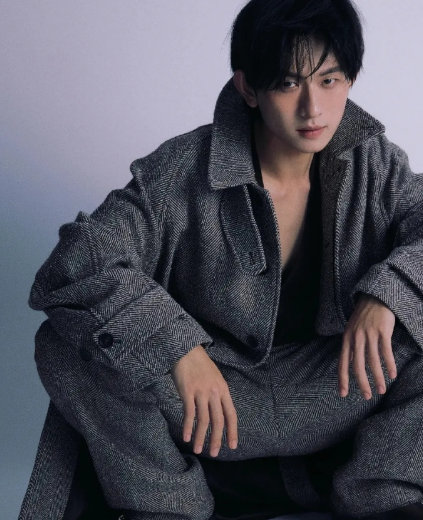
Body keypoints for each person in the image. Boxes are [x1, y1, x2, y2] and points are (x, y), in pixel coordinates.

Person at [19, 0, 423, 519]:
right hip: (212, 399)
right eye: (287, 83)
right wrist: (176, 347)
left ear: (351, 79)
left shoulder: (376, 164)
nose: (312, 109)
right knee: (65, 346)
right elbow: (75, 262)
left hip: (333, 387)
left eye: (329, 80)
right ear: (248, 88)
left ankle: (385, 495)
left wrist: (388, 293)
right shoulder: (181, 169)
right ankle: (167, 504)